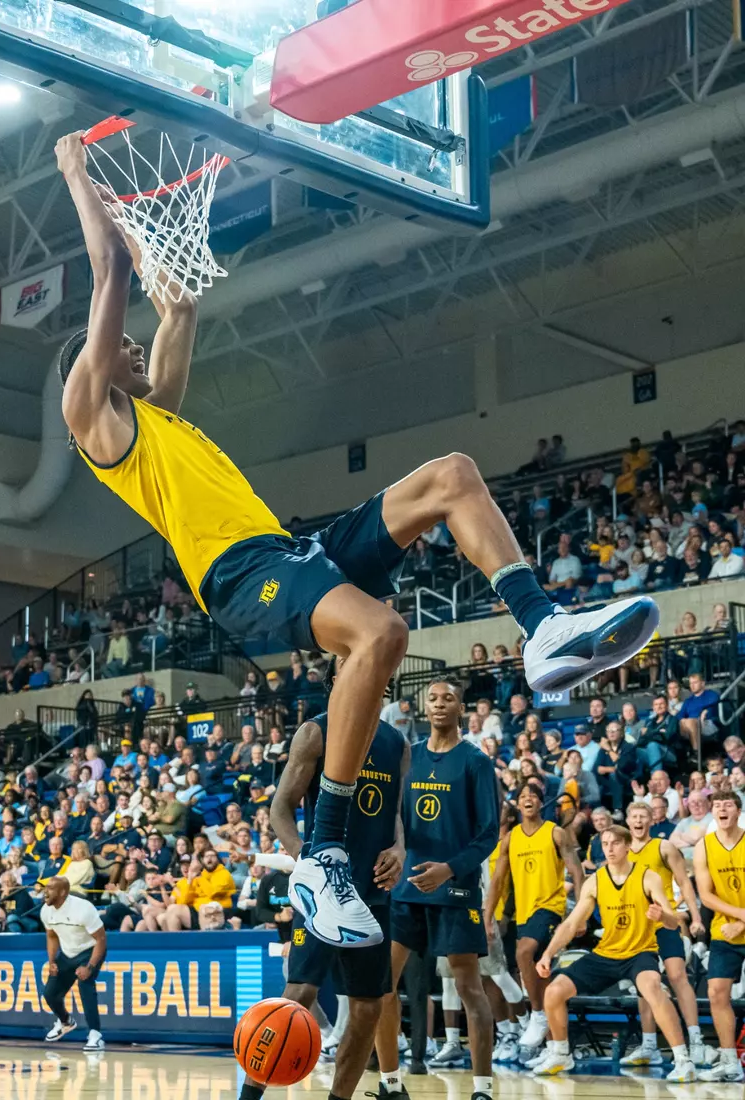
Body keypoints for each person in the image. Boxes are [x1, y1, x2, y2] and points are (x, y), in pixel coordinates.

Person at [54, 127, 660, 948]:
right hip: (239, 579)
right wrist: (80, 178)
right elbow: (110, 277)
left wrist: (148, 223)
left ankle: (544, 629)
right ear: (87, 370)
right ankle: (326, 853)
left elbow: (181, 303)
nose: (130, 345)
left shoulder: (159, 412)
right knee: (382, 631)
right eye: (114, 345)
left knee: (452, 474)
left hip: (290, 553)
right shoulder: (95, 421)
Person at [238, 656, 407, 1100]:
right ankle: (250, 1096)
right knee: (299, 993)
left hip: (371, 892)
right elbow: (280, 807)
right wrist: (304, 858)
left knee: (369, 1007)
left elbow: (396, 814)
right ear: (336, 679)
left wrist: (399, 849)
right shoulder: (315, 731)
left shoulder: (398, 743)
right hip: (322, 894)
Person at [374, 680, 499, 1100]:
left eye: (448, 698)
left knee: (469, 987)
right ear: (424, 708)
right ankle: (391, 1084)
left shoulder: (476, 762)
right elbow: (396, 818)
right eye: (433, 698)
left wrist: (449, 869)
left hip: (454, 890)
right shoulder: (409, 758)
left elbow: (488, 836)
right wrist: (395, 850)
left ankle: (482, 1089)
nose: (440, 704)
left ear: (461, 707)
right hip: (407, 890)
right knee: (381, 985)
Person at [531, 826, 696, 1082]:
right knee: (553, 991)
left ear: (627, 846)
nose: (609, 848)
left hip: (641, 952)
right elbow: (572, 923)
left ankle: (683, 1059)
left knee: (652, 987)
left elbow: (673, 922)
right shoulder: (595, 880)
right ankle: (561, 1053)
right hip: (607, 953)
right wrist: (548, 954)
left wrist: (661, 915)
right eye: (605, 844)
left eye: (615, 843)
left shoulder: (647, 877)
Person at [484, 783, 583, 1056]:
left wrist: (580, 915)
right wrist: (487, 916)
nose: (528, 800)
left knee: (523, 952)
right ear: (517, 805)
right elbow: (497, 882)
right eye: (523, 797)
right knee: (542, 978)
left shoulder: (556, 833)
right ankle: (555, 1048)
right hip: (524, 914)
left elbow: (576, 871)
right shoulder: (511, 838)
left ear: (541, 803)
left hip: (551, 908)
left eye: (533, 796)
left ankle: (536, 1014)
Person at [622, 803, 708, 1068]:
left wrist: (694, 918)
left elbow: (684, 882)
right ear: (627, 820)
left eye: (643, 816)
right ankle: (650, 1046)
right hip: (637, 929)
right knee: (644, 986)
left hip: (665, 924)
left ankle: (696, 1041)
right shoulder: (621, 851)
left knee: (677, 976)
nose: (638, 820)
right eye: (634, 816)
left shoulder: (664, 847)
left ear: (651, 820)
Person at [693, 789, 745, 1081]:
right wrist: (740, 917)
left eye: (728, 804)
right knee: (716, 992)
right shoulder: (704, 846)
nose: (723, 809)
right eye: (718, 805)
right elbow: (706, 895)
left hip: (737, 924)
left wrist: (742, 921)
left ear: (738, 811)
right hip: (724, 930)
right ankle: (729, 1062)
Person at [40, 876, 107, 1052]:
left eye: (50, 888)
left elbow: (101, 939)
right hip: (67, 953)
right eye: (46, 887)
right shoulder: (46, 911)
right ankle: (65, 1021)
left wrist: (90, 967)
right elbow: (52, 936)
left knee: (85, 984)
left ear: (63, 892)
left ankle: (95, 1034)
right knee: (50, 993)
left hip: (89, 950)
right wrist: (52, 961)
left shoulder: (82, 908)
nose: (45, 891)